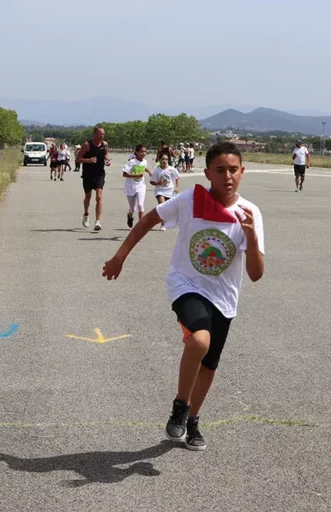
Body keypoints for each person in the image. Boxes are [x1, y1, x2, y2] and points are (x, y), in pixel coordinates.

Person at [102, 141, 265, 451]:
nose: (227, 176)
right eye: (220, 170)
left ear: (243, 172)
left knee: (209, 366)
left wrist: (252, 237)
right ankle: (180, 405)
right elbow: (149, 219)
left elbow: (256, 274)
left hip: (225, 297)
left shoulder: (250, 213)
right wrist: (120, 257)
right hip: (185, 285)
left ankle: (192, 422)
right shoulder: (190, 200)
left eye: (233, 170)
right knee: (199, 341)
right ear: (207, 174)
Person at [76, 126, 111, 231]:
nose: (102, 136)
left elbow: (106, 154)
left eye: (103, 134)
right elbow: (78, 159)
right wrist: (88, 160)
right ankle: (86, 214)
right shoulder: (87, 145)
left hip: (100, 173)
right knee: (88, 197)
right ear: (95, 134)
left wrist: (108, 160)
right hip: (88, 174)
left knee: (99, 196)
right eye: (100, 134)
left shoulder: (104, 144)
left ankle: (97, 222)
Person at [122, 145, 153, 228]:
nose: (143, 153)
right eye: (141, 151)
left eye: (145, 151)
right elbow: (124, 174)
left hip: (141, 186)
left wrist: (149, 171)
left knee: (140, 205)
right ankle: (130, 215)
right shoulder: (131, 162)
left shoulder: (145, 161)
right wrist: (135, 175)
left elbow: (144, 167)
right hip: (131, 187)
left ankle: (140, 227)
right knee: (132, 209)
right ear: (137, 152)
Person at [150, 153, 180, 231]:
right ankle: (163, 224)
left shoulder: (172, 169)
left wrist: (176, 187)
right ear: (159, 160)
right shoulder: (157, 170)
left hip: (169, 191)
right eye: (163, 159)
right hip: (159, 191)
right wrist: (158, 183)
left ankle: (165, 221)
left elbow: (177, 178)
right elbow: (152, 181)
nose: (165, 161)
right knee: (162, 206)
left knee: (167, 208)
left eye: (166, 159)